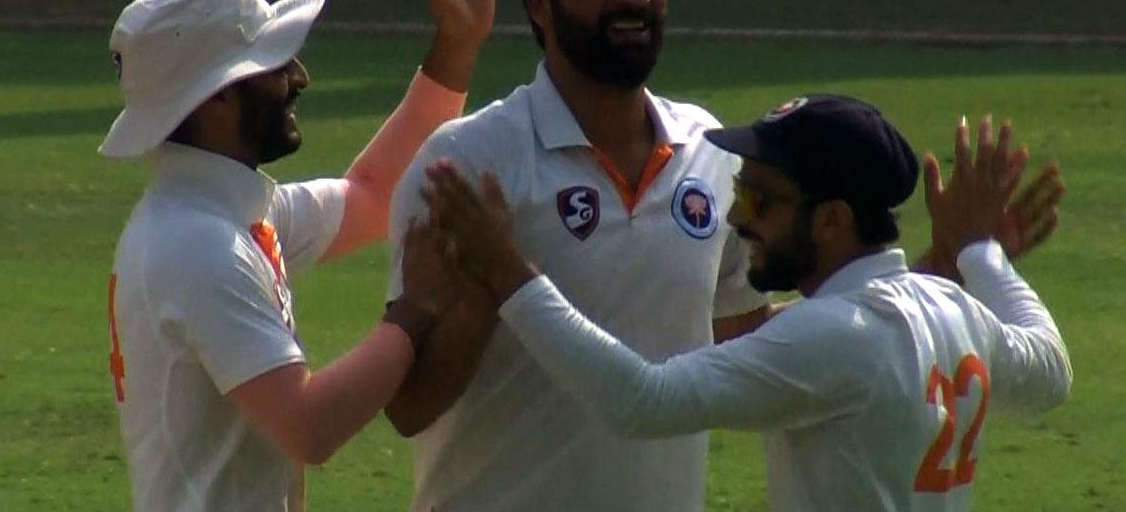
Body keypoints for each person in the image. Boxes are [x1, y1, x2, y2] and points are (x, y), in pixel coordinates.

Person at [382, 0, 1064, 511]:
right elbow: (408, 406)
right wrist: (480, 303)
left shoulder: (710, 152)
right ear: (538, 3)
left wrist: (918, 283)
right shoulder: (468, 165)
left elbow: (761, 350)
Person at [418, 97, 1073, 512]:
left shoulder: (837, 336)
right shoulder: (948, 307)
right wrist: (980, 253)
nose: (736, 216)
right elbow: (1050, 369)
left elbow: (640, 400)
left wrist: (509, 271)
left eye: (761, 199)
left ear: (831, 221)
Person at [101, 0, 506, 511]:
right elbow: (310, 425)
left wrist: (455, 47)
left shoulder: (215, 215)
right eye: (271, 63)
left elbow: (372, 197)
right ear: (213, 100)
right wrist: (415, 309)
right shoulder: (201, 245)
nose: (299, 76)